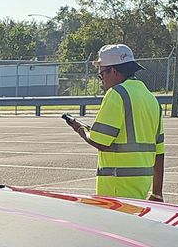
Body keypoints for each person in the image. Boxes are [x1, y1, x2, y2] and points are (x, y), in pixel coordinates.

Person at [63, 44, 165, 201]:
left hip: (117, 186)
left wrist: (80, 129)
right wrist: (157, 193)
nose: (102, 80)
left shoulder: (117, 94)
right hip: (141, 187)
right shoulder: (151, 99)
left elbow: (100, 141)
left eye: (102, 74)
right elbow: (159, 152)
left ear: (114, 71)